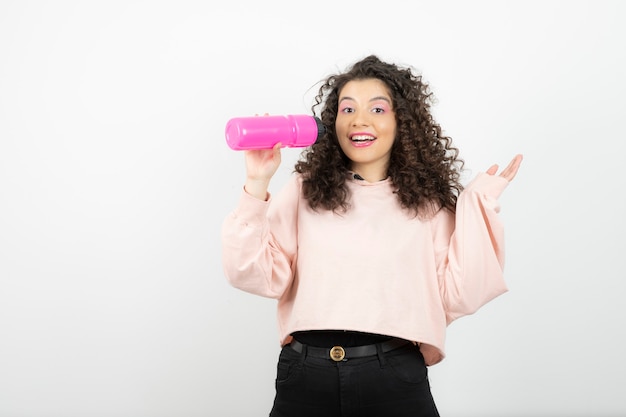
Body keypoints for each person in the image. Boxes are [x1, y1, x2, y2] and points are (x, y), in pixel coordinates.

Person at [221, 54, 523, 417]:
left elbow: (460, 294)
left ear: (402, 122)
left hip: (393, 378)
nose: (358, 120)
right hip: (305, 375)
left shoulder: (427, 204)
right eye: (347, 110)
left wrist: (476, 205)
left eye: (377, 109)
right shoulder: (305, 190)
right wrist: (256, 183)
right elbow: (253, 275)